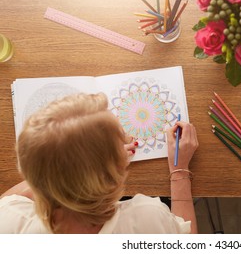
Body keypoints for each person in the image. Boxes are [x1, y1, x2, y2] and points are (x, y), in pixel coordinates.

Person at [0, 93, 198, 233]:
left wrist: (73, 166)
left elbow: (7, 201)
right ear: (111, 174)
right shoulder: (147, 218)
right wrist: (180, 170)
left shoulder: (11, 222)